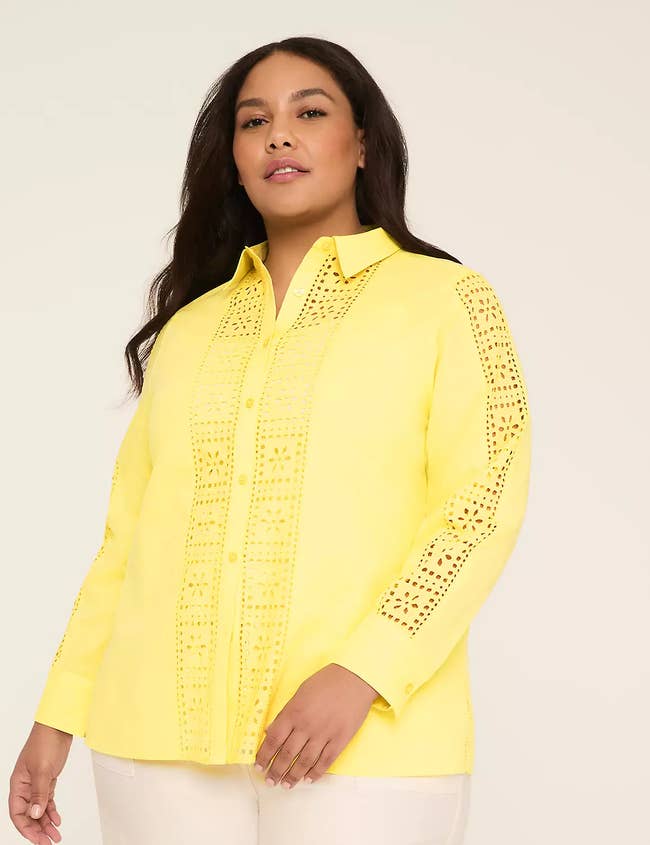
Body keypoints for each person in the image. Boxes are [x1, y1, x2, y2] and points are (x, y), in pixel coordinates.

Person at [9, 35, 532, 845]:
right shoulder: (190, 329)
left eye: (309, 113)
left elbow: (481, 504)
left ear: (363, 144)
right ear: (235, 159)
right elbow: (128, 541)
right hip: (155, 745)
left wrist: (365, 669)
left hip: (369, 744)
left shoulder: (447, 299)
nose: (279, 135)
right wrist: (57, 715)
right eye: (254, 122)